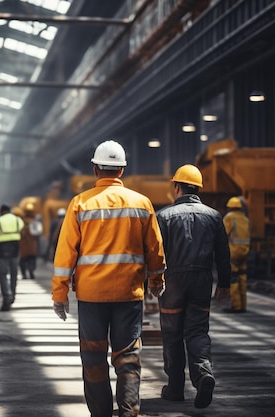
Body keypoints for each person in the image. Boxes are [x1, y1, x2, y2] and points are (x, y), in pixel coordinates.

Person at [51, 140, 165, 417]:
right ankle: (128, 412)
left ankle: (100, 414)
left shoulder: (79, 204)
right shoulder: (142, 203)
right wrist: (156, 282)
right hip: (129, 293)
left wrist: (60, 294)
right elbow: (155, 249)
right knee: (127, 358)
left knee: (93, 357)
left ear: (94, 169)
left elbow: (65, 253)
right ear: (122, 171)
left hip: (92, 297)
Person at [155, 164, 231, 409]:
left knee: (172, 334)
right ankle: (202, 375)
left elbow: (157, 254)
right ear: (198, 188)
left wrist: (153, 280)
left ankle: (175, 389)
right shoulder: (214, 216)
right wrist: (225, 283)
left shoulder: (164, 216)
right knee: (197, 331)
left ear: (176, 187)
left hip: (172, 282)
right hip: (201, 280)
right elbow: (223, 254)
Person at [0, 204, 24, 311]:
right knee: (14, 274)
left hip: (2, 249)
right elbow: (23, 233)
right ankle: (12, 295)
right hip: (15, 248)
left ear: (1, 211)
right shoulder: (18, 220)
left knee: (3, 274)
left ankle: (7, 296)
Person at [222, 196, 251, 313]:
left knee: (233, 279)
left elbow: (223, 234)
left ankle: (236, 306)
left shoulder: (229, 218)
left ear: (229, 208)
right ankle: (243, 305)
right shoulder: (245, 219)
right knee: (242, 278)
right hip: (245, 252)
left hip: (233, 253)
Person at [19, 203, 41, 280]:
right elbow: (38, 234)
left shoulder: (22, 222)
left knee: (23, 261)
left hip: (23, 246)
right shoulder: (34, 222)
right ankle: (31, 271)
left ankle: (24, 274)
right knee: (32, 259)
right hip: (32, 245)